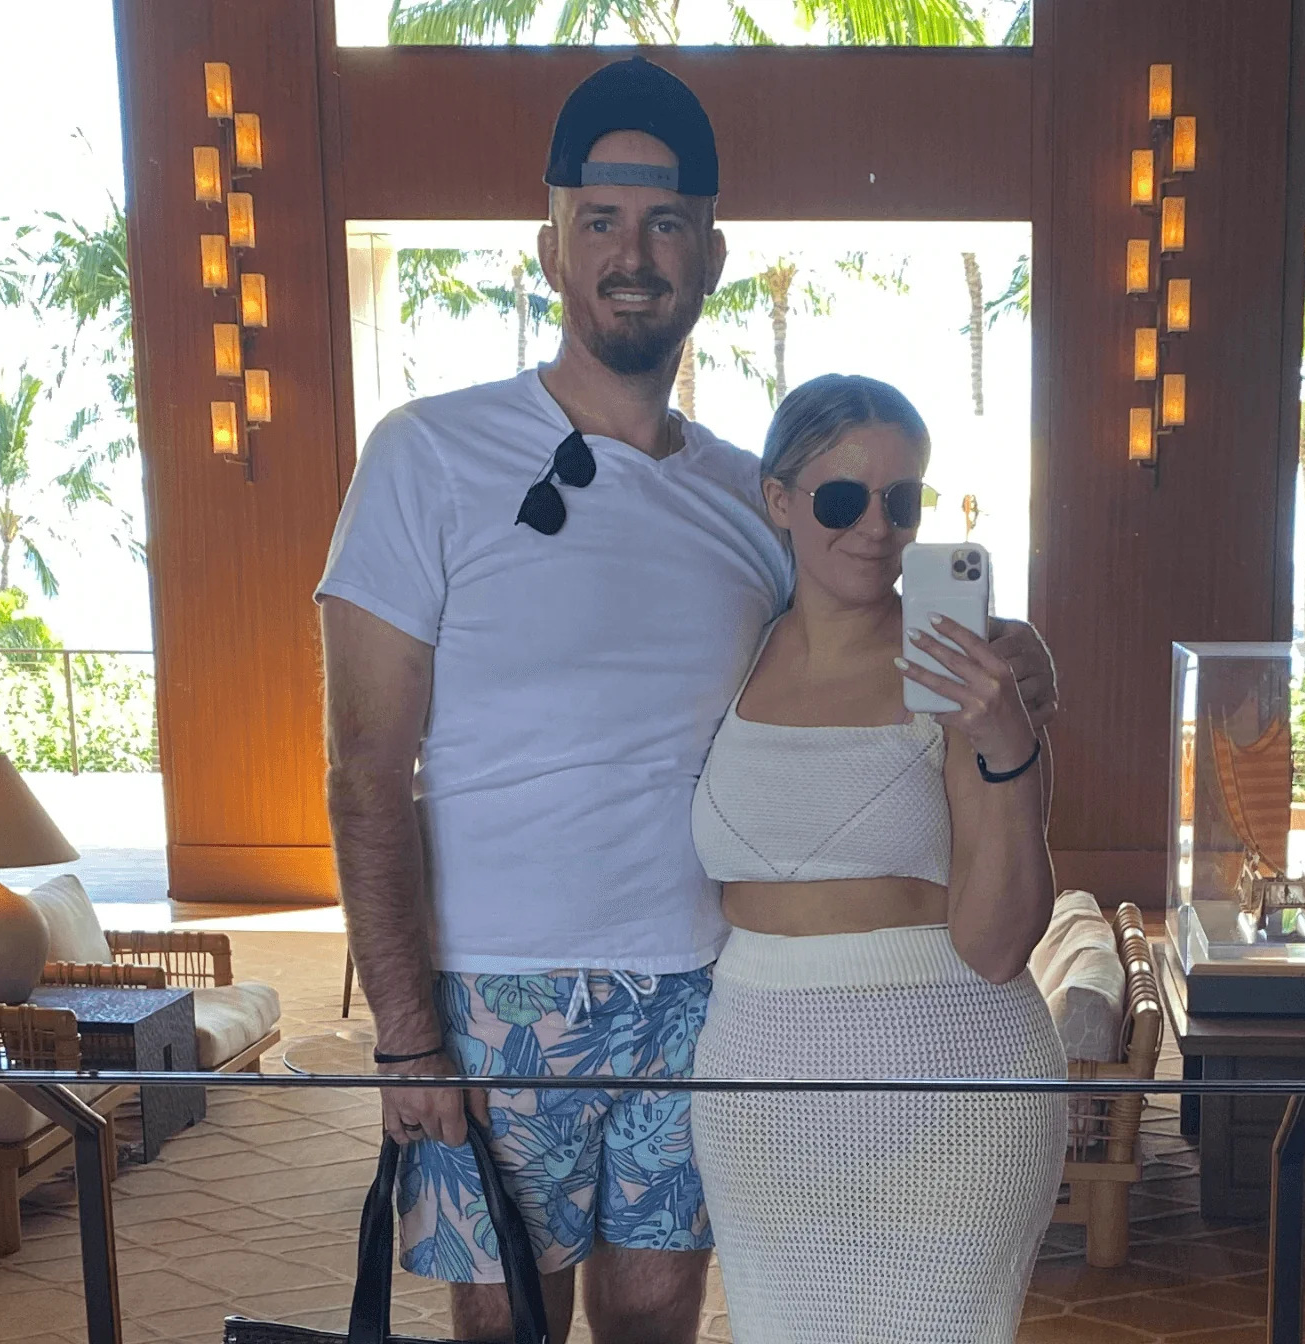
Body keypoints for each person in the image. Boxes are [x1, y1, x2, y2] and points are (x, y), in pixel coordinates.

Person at [314, 59, 1058, 1344]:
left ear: (709, 255)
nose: (632, 252)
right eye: (599, 220)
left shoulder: (749, 495)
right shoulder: (427, 454)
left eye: (664, 224)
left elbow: (862, 616)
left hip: (705, 990)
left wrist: (1020, 649)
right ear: (550, 244)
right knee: (502, 1326)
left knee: (660, 1318)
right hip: (500, 990)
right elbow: (364, 770)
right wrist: (405, 1034)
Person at [689, 374, 1065, 1344]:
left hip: (953, 1080)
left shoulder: (964, 666)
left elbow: (997, 944)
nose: (876, 528)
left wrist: (1005, 739)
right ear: (779, 500)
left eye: (903, 502)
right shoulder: (732, 644)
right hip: (756, 1085)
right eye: (843, 498)